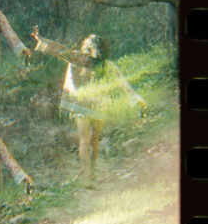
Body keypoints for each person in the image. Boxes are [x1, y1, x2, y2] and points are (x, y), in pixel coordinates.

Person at [30, 28, 147, 188]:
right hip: (91, 106)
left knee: (88, 140)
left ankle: (89, 176)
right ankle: (89, 176)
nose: (95, 50)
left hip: (87, 105)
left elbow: (60, 50)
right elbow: (123, 85)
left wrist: (42, 40)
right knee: (91, 141)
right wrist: (42, 39)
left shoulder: (88, 61)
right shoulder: (103, 64)